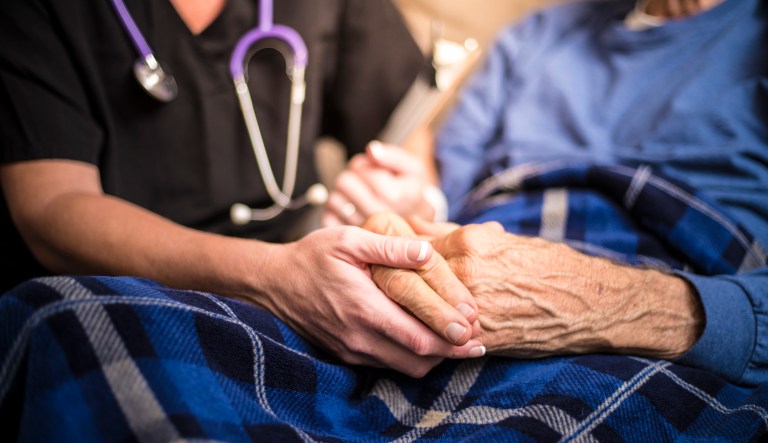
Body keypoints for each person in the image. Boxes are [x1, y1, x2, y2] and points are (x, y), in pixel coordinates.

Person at [0, 0, 489, 377]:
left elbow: (405, 139)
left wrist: (412, 197)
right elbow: (50, 206)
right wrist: (275, 278)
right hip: (119, 296)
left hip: (315, 279)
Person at [325, 0, 768, 386]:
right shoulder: (533, 36)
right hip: (480, 272)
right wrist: (411, 205)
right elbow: (448, 191)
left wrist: (607, 304)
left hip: (679, 298)